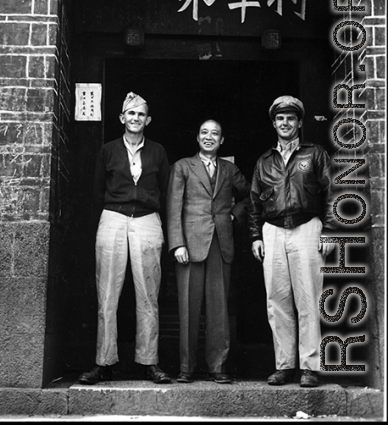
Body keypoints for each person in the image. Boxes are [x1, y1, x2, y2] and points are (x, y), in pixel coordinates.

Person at [79, 92, 172, 385]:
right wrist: (108, 219)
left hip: (147, 220)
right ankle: (104, 362)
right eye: (130, 114)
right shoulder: (108, 150)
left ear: (148, 120)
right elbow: (96, 191)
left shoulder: (157, 151)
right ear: (122, 118)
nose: (135, 119)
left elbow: (166, 191)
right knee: (107, 293)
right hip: (114, 218)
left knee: (148, 294)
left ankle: (150, 362)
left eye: (141, 114)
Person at [248, 96, 335, 388]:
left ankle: (310, 367)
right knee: (277, 300)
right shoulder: (264, 161)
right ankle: (284, 365)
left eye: (290, 118)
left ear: (299, 123)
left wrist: (331, 231)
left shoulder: (315, 154)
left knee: (309, 299)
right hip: (273, 231)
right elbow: (253, 204)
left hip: (307, 227)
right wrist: (255, 236)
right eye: (280, 119)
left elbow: (333, 193)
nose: (285, 123)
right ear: (274, 124)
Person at [166, 120, 250, 384]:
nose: (209, 137)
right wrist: (177, 243)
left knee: (218, 308)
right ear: (197, 137)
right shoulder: (182, 166)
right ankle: (186, 368)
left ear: (222, 140)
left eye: (215, 133)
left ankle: (218, 366)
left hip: (220, 244)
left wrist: (234, 216)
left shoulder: (229, 169)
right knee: (188, 307)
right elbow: (173, 207)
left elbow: (251, 195)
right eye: (204, 132)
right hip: (189, 245)